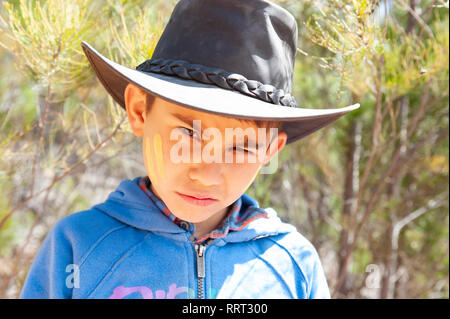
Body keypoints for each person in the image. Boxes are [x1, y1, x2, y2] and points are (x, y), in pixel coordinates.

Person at [20, 0, 359, 299]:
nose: (207, 174)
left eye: (243, 147)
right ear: (139, 111)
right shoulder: (78, 248)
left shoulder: (293, 265)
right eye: (189, 134)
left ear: (272, 149)